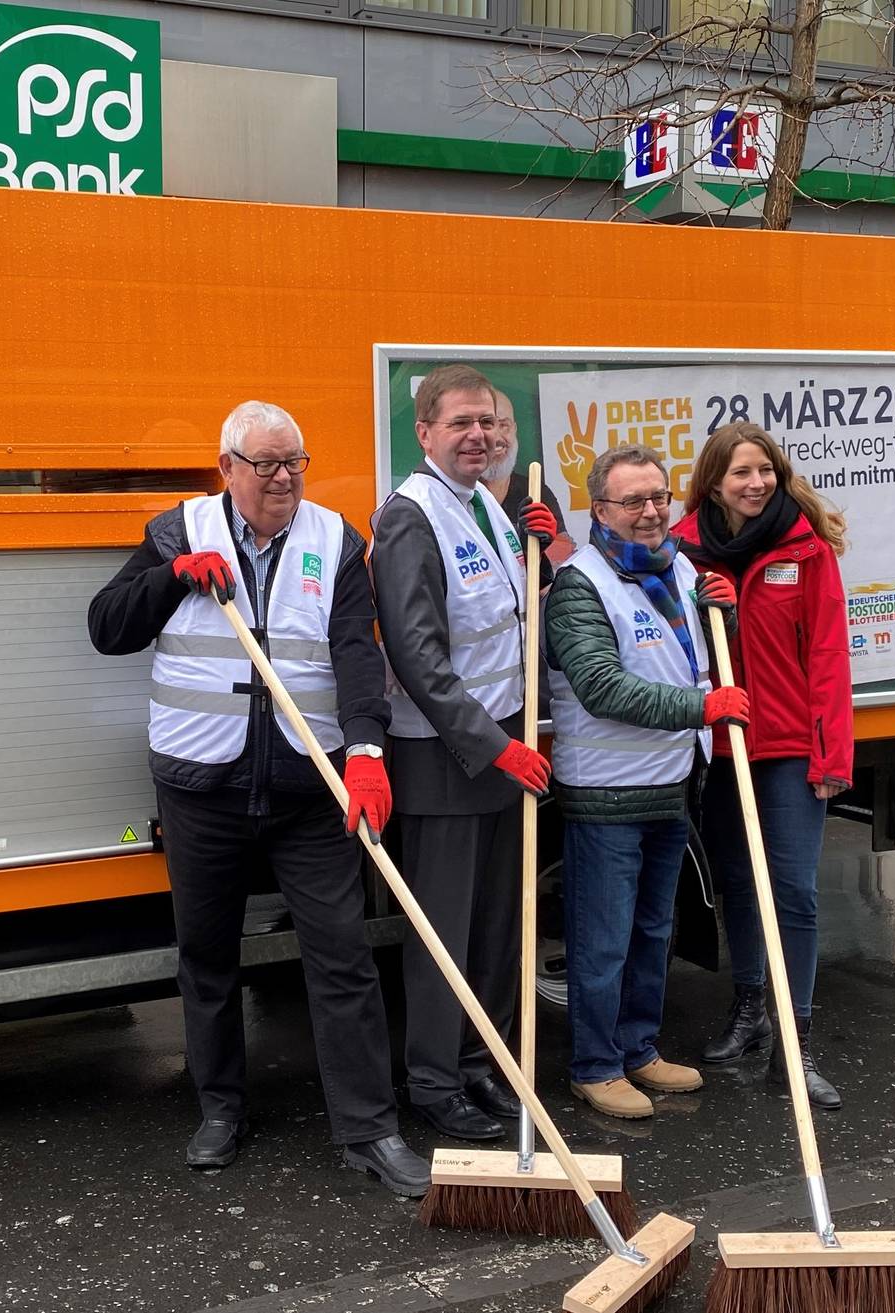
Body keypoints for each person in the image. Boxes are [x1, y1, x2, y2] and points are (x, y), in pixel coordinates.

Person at [85, 399, 431, 1196]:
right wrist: (169, 580)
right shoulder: (180, 531)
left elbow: (353, 650)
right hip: (201, 784)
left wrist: (368, 750)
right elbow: (107, 627)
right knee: (207, 956)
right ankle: (219, 1108)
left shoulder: (336, 539)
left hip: (311, 788)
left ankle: (371, 1128)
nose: (284, 479)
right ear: (228, 467)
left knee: (342, 956)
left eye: (295, 463)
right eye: (267, 464)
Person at [371, 364, 559, 1142]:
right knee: (442, 935)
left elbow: (502, 620)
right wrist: (494, 747)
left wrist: (537, 560)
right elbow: (417, 656)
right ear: (424, 433)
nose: (479, 435)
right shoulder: (409, 517)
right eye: (461, 423)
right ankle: (435, 1080)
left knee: (498, 926)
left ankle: (489, 1066)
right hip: (446, 759)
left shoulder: (486, 500)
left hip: (504, 745)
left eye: (488, 422)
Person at [545, 444, 750, 1120]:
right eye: (633, 500)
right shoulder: (579, 585)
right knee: (602, 940)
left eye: (659, 496)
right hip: (606, 794)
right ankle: (595, 1066)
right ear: (600, 509)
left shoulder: (679, 567)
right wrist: (703, 709)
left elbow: (688, 659)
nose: (651, 510)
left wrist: (726, 611)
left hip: (670, 785)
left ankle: (638, 1048)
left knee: (652, 932)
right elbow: (603, 687)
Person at [670, 421, 852, 1111]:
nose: (756, 484)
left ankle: (794, 1044)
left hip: (789, 748)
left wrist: (833, 753)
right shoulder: (683, 550)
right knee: (738, 882)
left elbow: (829, 655)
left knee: (794, 892)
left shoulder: (803, 547)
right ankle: (749, 1010)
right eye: (741, 473)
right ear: (713, 481)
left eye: (765, 471)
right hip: (719, 742)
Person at [483, 385, 576, 582]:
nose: (496, 437)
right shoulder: (462, 495)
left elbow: (561, 558)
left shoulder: (535, 491)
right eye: (487, 425)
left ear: (515, 429)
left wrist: (542, 551)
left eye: (504, 425)